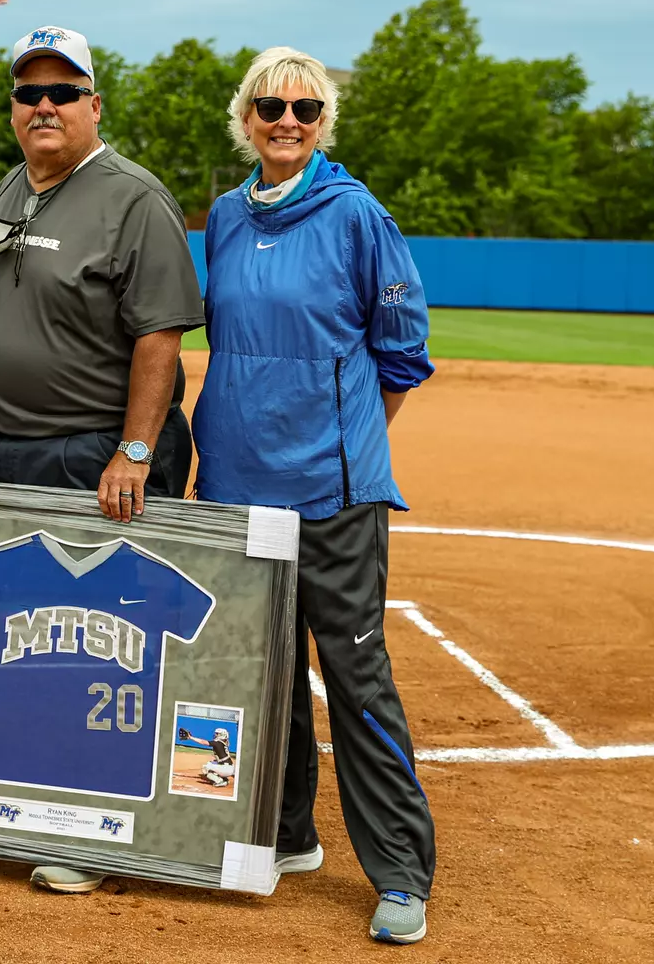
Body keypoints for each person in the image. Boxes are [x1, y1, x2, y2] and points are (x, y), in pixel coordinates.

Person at [0, 25, 205, 895]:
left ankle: (90, 831)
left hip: (89, 450)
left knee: (93, 647)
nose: (44, 106)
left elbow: (159, 339)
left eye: (63, 92)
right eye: (29, 94)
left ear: (95, 104)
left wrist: (135, 450)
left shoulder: (134, 198)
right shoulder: (15, 185)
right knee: (17, 639)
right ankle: (11, 800)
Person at [192, 46, 436, 945]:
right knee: (261, 675)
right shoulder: (221, 215)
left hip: (331, 490)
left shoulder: (356, 214)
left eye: (303, 108)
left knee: (355, 676)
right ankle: (286, 834)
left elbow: (403, 350)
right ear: (245, 120)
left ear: (322, 121)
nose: (286, 121)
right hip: (236, 482)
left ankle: (401, 871)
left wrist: (346, 440)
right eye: (269, 108)